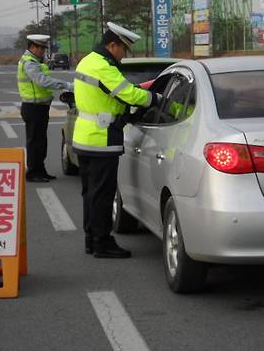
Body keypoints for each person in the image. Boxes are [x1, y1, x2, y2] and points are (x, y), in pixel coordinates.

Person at [73, 22, 161, 258]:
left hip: (84, 137)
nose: (124, 55)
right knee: (103, 193)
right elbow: (129, 94)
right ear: (113, 45)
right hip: (101, 138)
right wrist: (156, 98)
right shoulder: (104, 67)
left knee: (90, 192)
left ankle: (91, 239)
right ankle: (103, 242)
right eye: (124, 49)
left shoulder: (88, 61)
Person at [18, 34, 73, 182]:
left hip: (39, 107)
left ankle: (40, 171)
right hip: (33, 107)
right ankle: (33, 173)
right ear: (33, 47)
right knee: (35, 142)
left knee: (40, 141)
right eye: (41, 47)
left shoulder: (35, 61)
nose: (43, 51)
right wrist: (67, 85)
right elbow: (43, 81)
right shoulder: (30, 63)